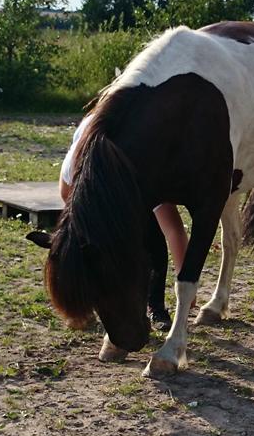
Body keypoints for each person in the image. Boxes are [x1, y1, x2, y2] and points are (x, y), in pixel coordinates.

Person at [59, 106, 188, 325]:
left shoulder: (144, 172)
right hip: (90, 174)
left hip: (129, 177)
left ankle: (154, 305)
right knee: (84, 243)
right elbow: (67, 197)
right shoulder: (75, 176)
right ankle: (84, 301)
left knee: (153, 240)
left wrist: (186, 283)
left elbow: (173, 230)